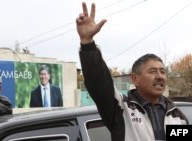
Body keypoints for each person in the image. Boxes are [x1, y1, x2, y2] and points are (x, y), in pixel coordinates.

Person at [76, 2, 188, 141]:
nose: (160, 76)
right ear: (135, 79)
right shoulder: (121, 109)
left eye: (163, 71)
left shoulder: (177, 116)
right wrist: (87, 44)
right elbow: (99, 83)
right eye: (153, 71)